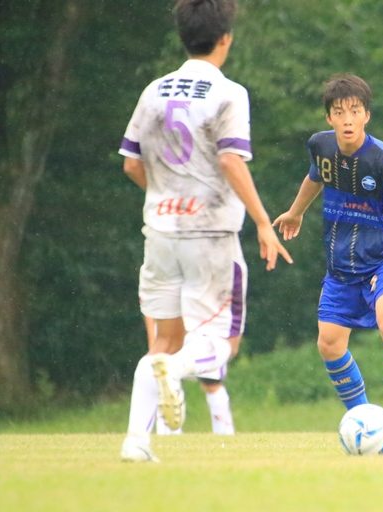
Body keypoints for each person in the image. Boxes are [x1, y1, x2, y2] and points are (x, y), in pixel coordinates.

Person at [117, 0, 291, 462]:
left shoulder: (153, 91)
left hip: (160, 232)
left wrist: (166, 194)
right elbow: (231, 160)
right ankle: (175, 373)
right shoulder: (228, 93)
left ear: (183, 36)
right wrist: (262, 221)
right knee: (222, 344)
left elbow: (131, 164)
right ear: (225, 38)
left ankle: (136, 442)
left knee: (163, 341)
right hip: (210, 234)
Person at [273, 73, 383, 445]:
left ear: (367, 116)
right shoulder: (321, 146)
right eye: (339, 112)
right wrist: (296, 212)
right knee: (329, 343)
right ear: (329, 117)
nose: (347, 119)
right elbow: (315, 177)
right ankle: (365, 423)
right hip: (341, 269)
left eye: (355, 111)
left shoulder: (382, 163)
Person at [144, 317, 234, 436]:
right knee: (164, 380)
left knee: (211, 382)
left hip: (203, 330)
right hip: (170, 329)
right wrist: (154, 342)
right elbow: (150, 311)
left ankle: (224, 434)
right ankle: (169, 436)